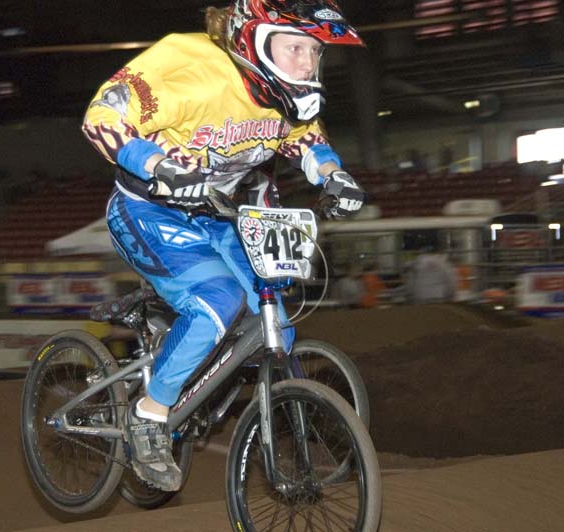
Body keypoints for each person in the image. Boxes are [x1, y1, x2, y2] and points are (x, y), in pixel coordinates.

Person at [82, 0, 366, 491]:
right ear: (253, 41)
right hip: (149, 211)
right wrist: (158, 166)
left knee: (275, 323)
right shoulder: (190, 66)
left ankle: (194, 372)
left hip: (220, 215)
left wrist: (332, 175)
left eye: (315, 51)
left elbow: (303, 138)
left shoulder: (285, 95)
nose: (307, 63)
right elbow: (101, 117)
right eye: (295, 48)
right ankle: (149, 414)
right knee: (219, 300)